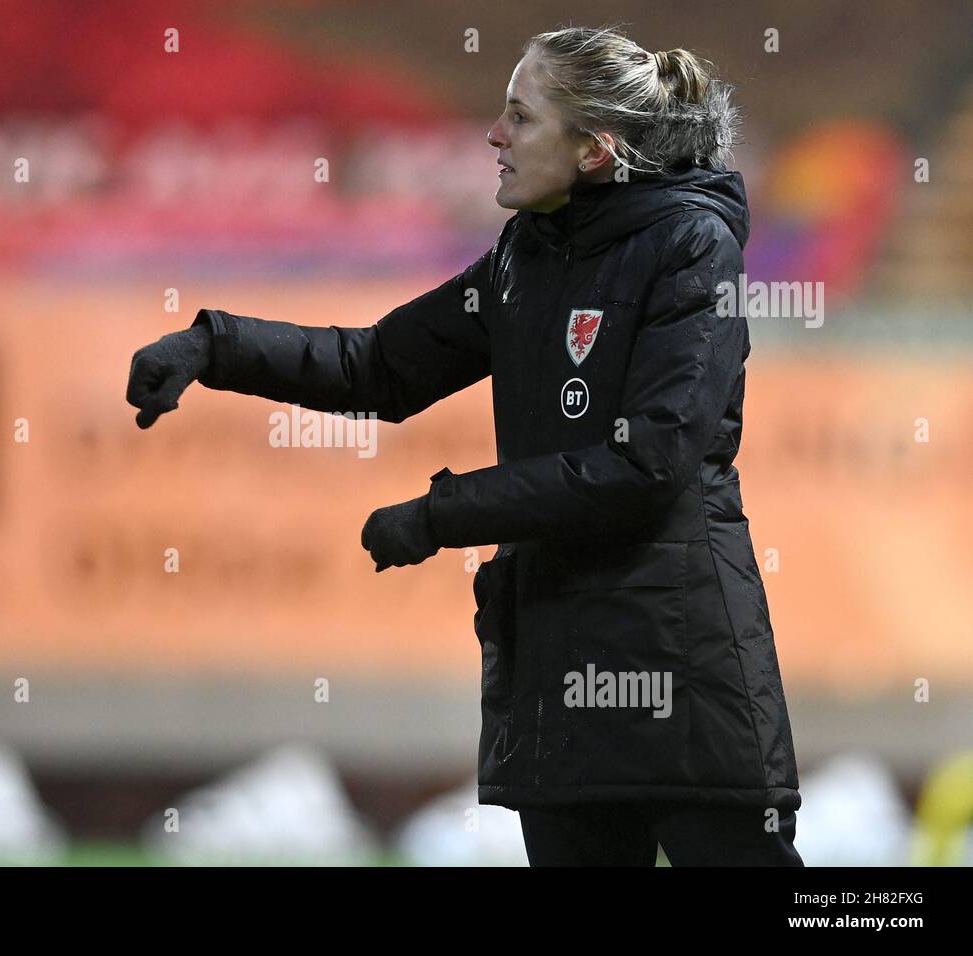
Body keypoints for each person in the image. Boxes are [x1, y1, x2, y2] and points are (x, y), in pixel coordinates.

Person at [126, 25, 802, 866]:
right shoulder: (526, 256)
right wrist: (213, 347)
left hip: (682, 661)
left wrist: (444, 511)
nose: (494, 135)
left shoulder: (690, 246)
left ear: (594, 150)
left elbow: (645, 467)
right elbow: (378, 365)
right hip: (554, 665)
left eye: (520, 116)